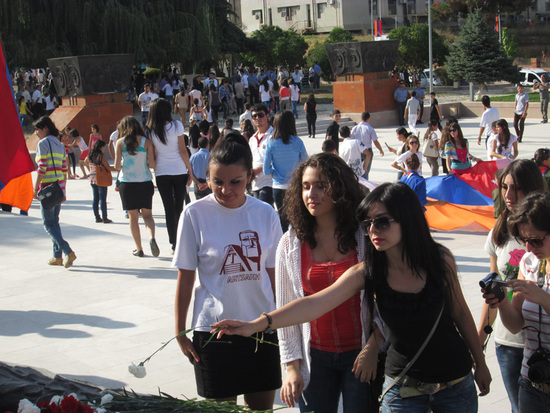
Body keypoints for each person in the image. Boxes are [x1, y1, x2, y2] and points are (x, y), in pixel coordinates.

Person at [214, 181, 491, 413]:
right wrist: (257, 324)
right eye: (368, 223)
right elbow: (315, 304)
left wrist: (480, 363)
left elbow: (460, 313)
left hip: (455, 385)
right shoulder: (368, 271)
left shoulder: (439, 260)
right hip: (403, 388)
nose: (373, 230)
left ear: (407, 219)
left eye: (382, 222)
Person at [173, 133, 283, 411]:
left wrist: (282, 322)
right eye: (217, 181)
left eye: (236, 181)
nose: (225, 190)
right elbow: (185, 278)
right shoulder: (194, 214)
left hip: (261, 329)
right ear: (207, 178)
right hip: (214, 334)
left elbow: (274, 274)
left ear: (250, 177)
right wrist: (180, 332)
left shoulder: (266, 213)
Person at [270, 153, 373, 412]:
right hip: (315, 358)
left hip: (361, 355)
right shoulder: (290, 244)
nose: (311, 194)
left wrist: (374, 347)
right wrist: (291, 367)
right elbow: (287, 309)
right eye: (306, 187)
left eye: (321, 186)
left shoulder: (364, 236)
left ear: (339, 188)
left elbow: (383, 300)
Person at [477, 160, 545, 413]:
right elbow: (496, 293)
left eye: (516, 187)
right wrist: (479, 343)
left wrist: (541, 297)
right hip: (512, 346)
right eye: (504, 187)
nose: (508, 195)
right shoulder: (501, 234)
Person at [146, 99, 200, 253]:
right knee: (179, 208)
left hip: (161, 172)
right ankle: (180, 241)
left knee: (168, 209)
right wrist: (190, 170)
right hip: (179, 171)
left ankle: (173, 243)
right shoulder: (176, 126)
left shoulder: (149, 131)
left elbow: (152, 155)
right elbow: (183, 150)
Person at [33, 116, 77, 268]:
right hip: (58, 187)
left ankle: (67, 251)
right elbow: (64, 169)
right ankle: (57, 257)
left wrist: (35, 188)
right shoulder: (59, 144)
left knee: (48, 224)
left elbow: (42, 167)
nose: (36, 133)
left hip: (47, 187)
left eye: (37, 129)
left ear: (45, 128)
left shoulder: (43, 143)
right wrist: (63, 190)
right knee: (55, 222)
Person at [114, 116, 158, 257]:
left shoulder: (120, 143)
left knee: (133, 217)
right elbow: (152, 164)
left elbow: (116, 166)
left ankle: (139, 248)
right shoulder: (146, 142)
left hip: (127, 183)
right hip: (145, 182)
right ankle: (151, 237)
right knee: (148, 215)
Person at [263, 110, 308, 232]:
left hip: (278, 187)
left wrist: (275, 174)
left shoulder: (271, 144)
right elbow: (306, 163)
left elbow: (266, 170)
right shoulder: (298, 142)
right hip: (294, 186)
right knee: (297, 219)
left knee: (283, 221)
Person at [85, 140, 116, 223]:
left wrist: (91, 169)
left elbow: (85, 161)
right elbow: (108, 167)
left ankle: (97, 217)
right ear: (100, 147)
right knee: (103, 199)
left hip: (92, 178)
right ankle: (105, 218)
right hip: (100, 178)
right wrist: (118, 169)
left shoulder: (90, 154)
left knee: (95, 199)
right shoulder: (101, 155)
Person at [249, 104, 274, 206]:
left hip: (270, 182)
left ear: (267, 116)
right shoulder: (252, 139)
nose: (257, 118)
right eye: (254, 116)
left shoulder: (274, 136)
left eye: (260, 115)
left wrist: (259, 169)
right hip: (255, 184)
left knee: (263, 209)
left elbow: (277, 159)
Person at [350, 112, 384, 180]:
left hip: (357, 151)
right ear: (368, 119)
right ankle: (365, 185)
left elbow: (351, 140)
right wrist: (380, 150)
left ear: (361, 118)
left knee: (357, 170)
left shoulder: (355, 128)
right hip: (367, 151)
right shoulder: (370, 128)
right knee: (365, 170)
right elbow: (375, 141)